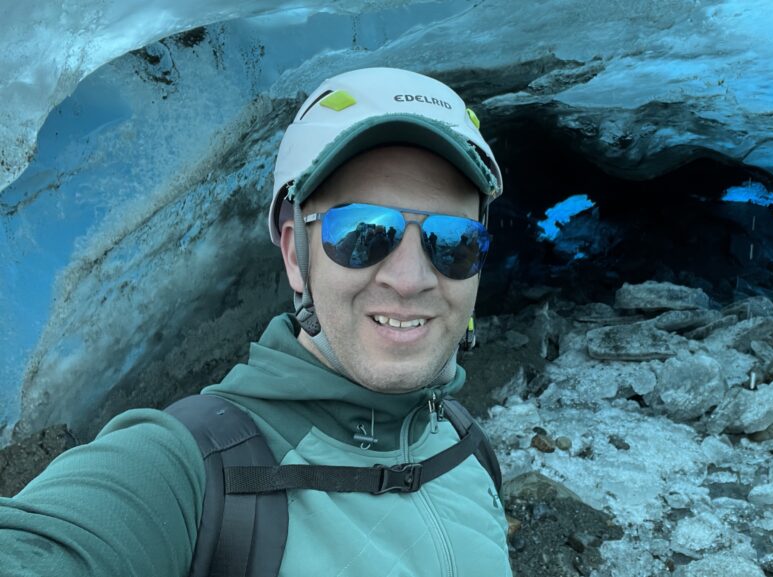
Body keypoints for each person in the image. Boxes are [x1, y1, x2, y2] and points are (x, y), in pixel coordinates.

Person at [0, 67, 512, 576]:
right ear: (295, 254)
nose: (409, 279)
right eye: (363, 232)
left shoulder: (466, 448)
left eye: (453, 241)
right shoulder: (191, 472)